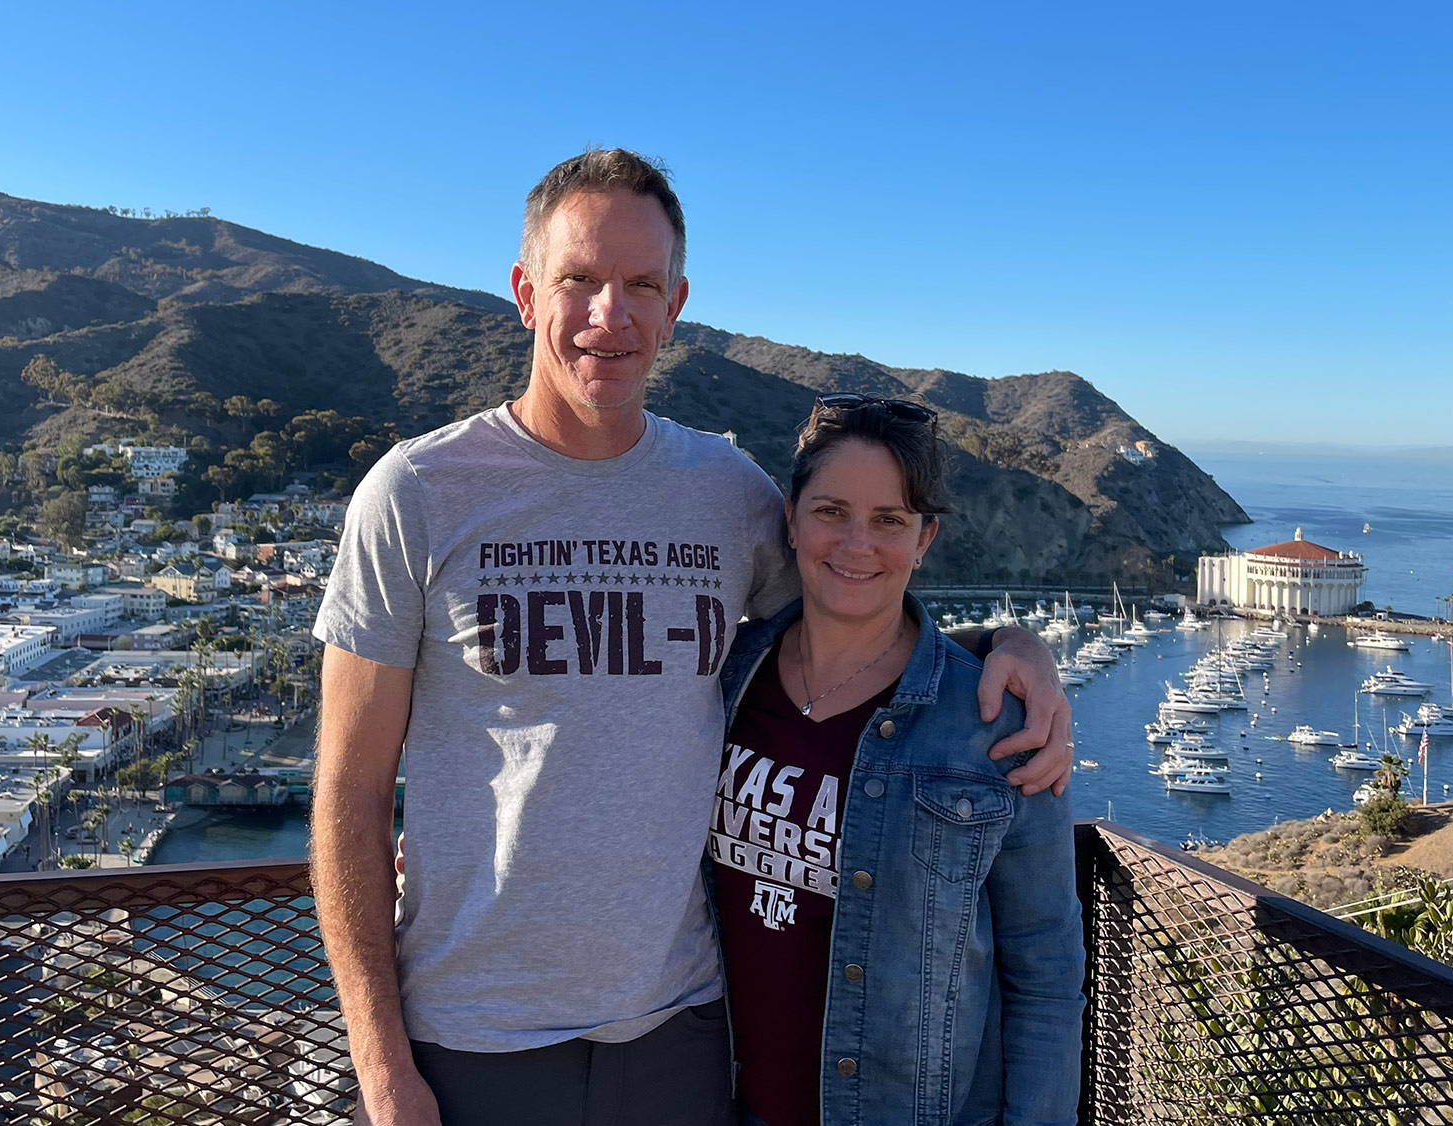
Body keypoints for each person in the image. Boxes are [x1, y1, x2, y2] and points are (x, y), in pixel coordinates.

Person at [311, 148, 1075, 1126]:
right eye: (579, 279)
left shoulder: (726, 496)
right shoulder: (415, 494)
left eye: (639, 285)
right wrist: (382, 1071)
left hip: (678, 1034)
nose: (608, 315)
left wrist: (1015, 641)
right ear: (523, 291)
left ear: (675, 305)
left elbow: (852, 591)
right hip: (471, 1036)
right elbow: (346, 791)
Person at [710, 395, 1084, 1126]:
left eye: (889, 521)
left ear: (925, 539)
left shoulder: (995, 727)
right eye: (831, 512)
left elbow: (1046, 974)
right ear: (790, 519)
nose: (856, 545)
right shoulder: (724, 681)